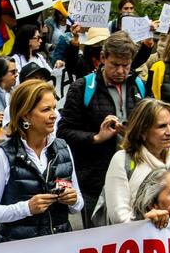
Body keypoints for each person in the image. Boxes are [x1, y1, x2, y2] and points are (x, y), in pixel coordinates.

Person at [60, 31, 144, 225]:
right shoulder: (83, 88)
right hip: (95, 179)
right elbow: (63, 132)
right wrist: (96, 137)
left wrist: (132, 133)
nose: (121, 71)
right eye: (115, 65)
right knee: (97, 239)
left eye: (126, 65)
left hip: (133, 174)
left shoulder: (138, 85)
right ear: (103, 59)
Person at [0, 79, 81, 241]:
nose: (54, 115)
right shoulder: (3, 154)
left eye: (54, 108)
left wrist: (73, 200)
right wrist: (26, 208)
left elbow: (78, 205)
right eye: (46, 109)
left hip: (59, 250)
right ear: (26, 115)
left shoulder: (63, 148)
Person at [101, 98, 170, 225]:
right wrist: (147, 221)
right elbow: (119, 217)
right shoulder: (122, 160)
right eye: (162, 126)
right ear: (142, 131)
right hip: (137, 240)